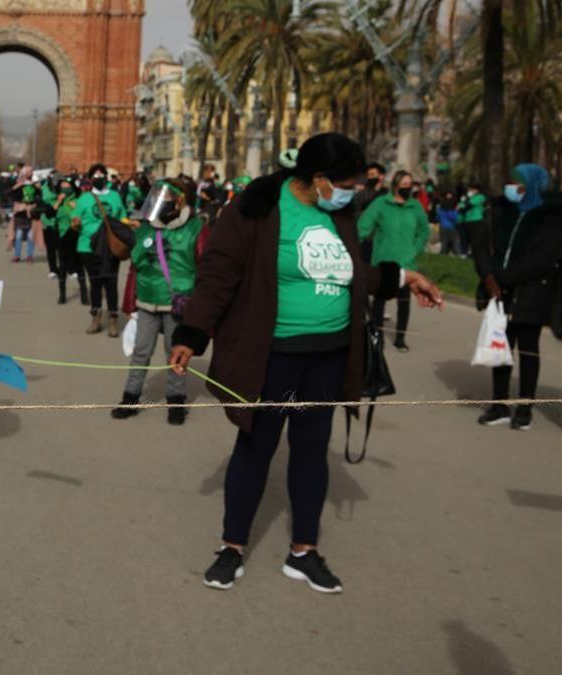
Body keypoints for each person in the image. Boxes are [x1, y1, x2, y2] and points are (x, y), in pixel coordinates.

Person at [168, 133, 442, 594]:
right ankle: (232, 547)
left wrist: (404, 277)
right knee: (256, 447)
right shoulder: (258, 209)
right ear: (317, 179)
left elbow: (353, 271)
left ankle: (303, 552)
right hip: (274, 357)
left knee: (312, 450)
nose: (352, 191)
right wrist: (192, 335)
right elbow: (219, 273)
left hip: (329, 356)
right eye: (346, 183)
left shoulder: (340, 212)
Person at [472, 164, 562, 430]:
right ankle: (499, 404)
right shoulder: (499, 210)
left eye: (517, 183)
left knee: (528, 349)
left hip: (531, 292)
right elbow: (481, 245)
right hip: (498, 292)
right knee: (500, 348)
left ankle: (524, 408)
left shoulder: (551, 217)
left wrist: (504, 279)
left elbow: (543, 258)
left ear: (533, 185)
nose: (510, 187)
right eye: (509, 181)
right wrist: (488, 275)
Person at [112, 179, 203, 424]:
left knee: (175, 353)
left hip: (175, 302)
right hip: (147, 300)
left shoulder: (195, 228)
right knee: (140, 351)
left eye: (166, 197)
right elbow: (135, 263)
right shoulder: (146, 228)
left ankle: (176, 401)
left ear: (180, 200)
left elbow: (204, 263)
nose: (159, 201)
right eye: (157, 196)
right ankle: (130, 398)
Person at [358, 170, 431, 351]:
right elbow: (364, 226)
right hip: (384, 260)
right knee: (379, 302)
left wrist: (415, 248)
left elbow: (423, 231)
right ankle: (377, 337)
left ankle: (400, 338)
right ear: (396, 186)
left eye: (410, 185)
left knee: (404, 303)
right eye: (404, 185)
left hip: (407, 262)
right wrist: (352, 243)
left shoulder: (415, 207)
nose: (408, 188)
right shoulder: (381, 204)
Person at [73, 163, 129, 337]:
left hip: (111, 247)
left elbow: (123, 217)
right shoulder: (84, 199)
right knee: (95, 283)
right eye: (95, 176)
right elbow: (75, 219)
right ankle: (95, 317)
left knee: (111, 283)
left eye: (102, 175)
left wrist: (130, 225)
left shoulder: (115, 196)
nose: (99, 179)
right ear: (90, 179)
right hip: (87, 247)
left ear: (106, 177)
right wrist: (75, 224)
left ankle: (112, 319)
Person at [53, 175, 85, 304]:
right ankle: (62, 295)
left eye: (67, 188)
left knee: (79, 265)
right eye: (62, 188)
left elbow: (83, 216)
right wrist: (58, 202)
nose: (65, 190)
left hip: (75, 235)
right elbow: (50, 213)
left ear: (72, 188)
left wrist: (75, 207)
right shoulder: (57, 200)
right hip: (61, 236)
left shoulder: (78, 200)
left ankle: (84, 295)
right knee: (62, 266)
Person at [457, 183, 486, 257]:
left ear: (477, 190)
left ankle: (476, 254)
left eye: (471, 189)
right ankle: (465, 253)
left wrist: (465, 201)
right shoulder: (467, 198)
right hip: (467, 220)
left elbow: (468, 205)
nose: (469, 191)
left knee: (475, 239)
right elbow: (459, 207)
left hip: (476, 220)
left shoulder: (480, 197)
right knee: (466, 238)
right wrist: (464, 202)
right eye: (469, 189)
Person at [437, 191, 462, 257]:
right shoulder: (451, 210)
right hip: (451, 227)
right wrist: (456, 211)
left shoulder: (440, 209)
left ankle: (442, 254)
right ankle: (458, 254)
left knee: (444, 242)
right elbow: (454, 218)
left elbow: (438, 217)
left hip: (442, 226)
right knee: (455, 241)